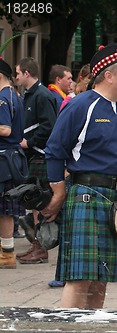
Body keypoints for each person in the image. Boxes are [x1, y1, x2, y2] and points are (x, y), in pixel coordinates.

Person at [42, 42, 117, 309]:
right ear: (109, 75)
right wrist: (58, 192)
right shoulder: (81, 105)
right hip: (86, 196)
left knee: (102, 279)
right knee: (80, 279)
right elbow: (54, 150)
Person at [15, 57, 58, 265]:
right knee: (34, 201)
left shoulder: (42, 95)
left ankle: (41, 247)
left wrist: (28, 142)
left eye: (17, 73)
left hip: (41, 155)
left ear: (26, 73)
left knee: (40, 202)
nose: (15, 77)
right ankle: (38, 246)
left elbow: (49, 127)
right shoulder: (29, 95)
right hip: (33, 155)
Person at [0, 57, 25, 269]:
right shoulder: (14, 94)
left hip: (4, 157)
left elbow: (5, 129)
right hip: (12, 157)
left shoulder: (2, 98)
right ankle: (6, 251)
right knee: (6, 208)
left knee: (4, 208)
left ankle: (7, 254)